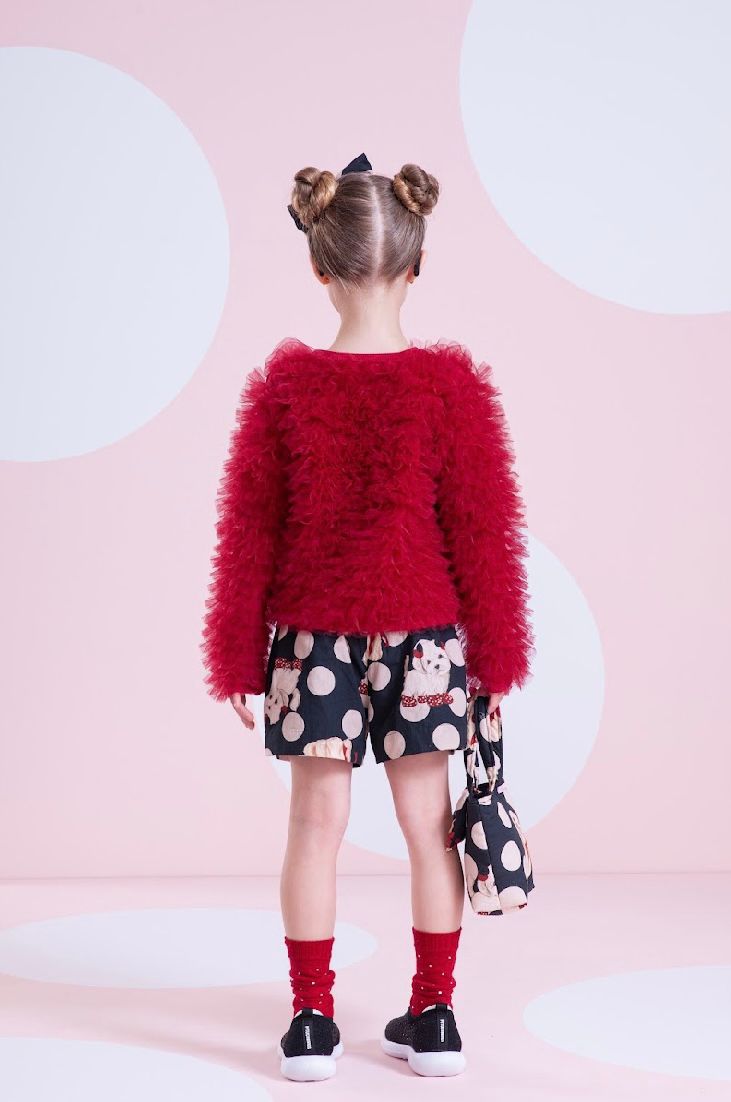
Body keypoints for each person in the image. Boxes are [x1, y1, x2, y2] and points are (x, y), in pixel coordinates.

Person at [200, 153, 535, 1082]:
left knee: (315, 823)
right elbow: (482, 531)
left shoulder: (284, 389)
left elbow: (249, 530)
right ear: (417, 263)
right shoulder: (449, 388)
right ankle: (435, 1017)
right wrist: (496, 656)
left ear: (318, 264)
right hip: (426, 639)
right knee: (428, 823)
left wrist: (236, 654)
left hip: (312, 638)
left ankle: (311, 1022)